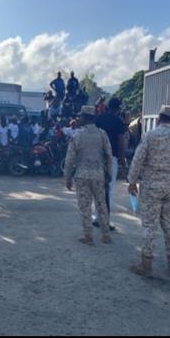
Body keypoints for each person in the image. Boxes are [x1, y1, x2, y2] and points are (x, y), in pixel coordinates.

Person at [127, 104, 170, 278]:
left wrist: (132, 181)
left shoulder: (150, 136)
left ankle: (146, 263)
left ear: (158, 118)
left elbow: (138, 159)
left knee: (150, 225)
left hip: (152, 186)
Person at [64, 106, 113, 245]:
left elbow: (69, 159)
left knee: (85, 206)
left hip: (82, 175)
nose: (78, 119)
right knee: (101, 205)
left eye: (80, 116)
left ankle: (88, 236)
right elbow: (109, 155)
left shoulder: (77, 135)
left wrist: (67, 178)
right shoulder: (102, 134)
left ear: (85, 118)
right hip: (98, 174)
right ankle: (105, 235)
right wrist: (108, 173)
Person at [94, 97, 128, 232]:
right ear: (118, 108)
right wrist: (122, 160)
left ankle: (97, 217)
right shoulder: (118, 122)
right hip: (111, 158)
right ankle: (105, 220)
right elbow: (120, 143)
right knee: (109, 189)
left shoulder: (99, 119)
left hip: (97, 157)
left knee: (97, 187)